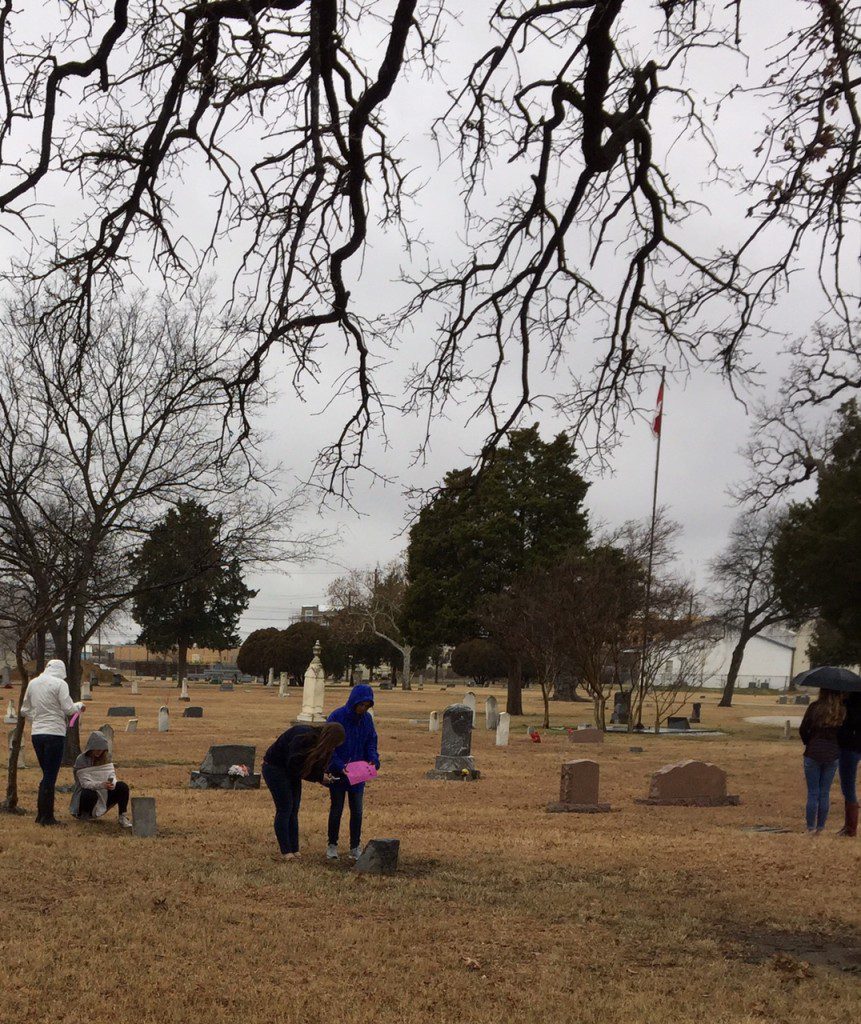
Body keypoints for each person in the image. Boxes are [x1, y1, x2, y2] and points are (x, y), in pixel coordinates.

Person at [261, 723, 346, 860]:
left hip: (291, 772)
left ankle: (295, 849)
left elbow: (308, 767)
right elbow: (294, 765)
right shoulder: (303, 736)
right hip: (275, 768)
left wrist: (323, 776)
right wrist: (318, 777)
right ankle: (286, 851)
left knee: (294, 809)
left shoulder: (320, 745)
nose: (334, 748)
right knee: (285, 808)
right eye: (334, 744)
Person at [20, 658, 85, 826]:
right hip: (54, 734)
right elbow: (69, 709)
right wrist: (79, 706)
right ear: (61, 672)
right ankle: (46, 817)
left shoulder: (33, 683)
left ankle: (41, 815)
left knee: (46, 774)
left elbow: (24, 710)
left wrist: (37, 719)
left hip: (37, 734)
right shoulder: (60, 684)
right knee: (50, 776)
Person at [326, 683, 380, 861]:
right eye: (361, 705)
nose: (363, 708)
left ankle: (355, 846)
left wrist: (373, 759)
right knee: (337, 809)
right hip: (339, 772)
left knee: (356, 810)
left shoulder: (366, 720)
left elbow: (371, 741)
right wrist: (339, 765)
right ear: (353, 701)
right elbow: (328, 745)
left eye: (367, 705)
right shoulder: (337, 716)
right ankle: (332, 845)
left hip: (358, 774)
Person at [799, 688, 846, 834]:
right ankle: (820, 827)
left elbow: (803, 729)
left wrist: (809, 742)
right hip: (832, 754)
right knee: (825, 792)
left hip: (813, 752)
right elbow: (844, 735)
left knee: (813, 792)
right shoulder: (842, 711)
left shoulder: (814, 708)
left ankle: (810, 827)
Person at [69, 730, 132, 828]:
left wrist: (111, 783)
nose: (99, 752)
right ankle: (85, 815)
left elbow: (110, 774)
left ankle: (122, 816)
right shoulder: (81, 759)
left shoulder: (106, 758)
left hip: (104, 792)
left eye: (101, 749)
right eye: (96, 749)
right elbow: (85, 783)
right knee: (88, 791)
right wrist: (101, 784)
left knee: (122, 786)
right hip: (86, 795)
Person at [836, 692, 861, 837]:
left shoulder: (850, 707)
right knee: (848, 786)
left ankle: (851, 827)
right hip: (856, 746)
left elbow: (845, 727)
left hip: (849, 748)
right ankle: (848, 825)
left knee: (848, 786)